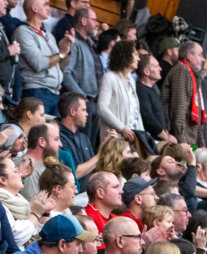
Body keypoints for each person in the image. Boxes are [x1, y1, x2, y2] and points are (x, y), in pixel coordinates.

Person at [14, 0, 73, 115]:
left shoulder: (49, 35)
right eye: (45, 4)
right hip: (37, 91)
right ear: (35, 8)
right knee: (39, 132)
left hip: (55, 92)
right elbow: (39, 64)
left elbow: (60, 65)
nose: (49, 7)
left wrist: (67, 50)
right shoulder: (23, 32)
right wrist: (60, 54)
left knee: (53, 133)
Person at [61, 8, 102, 144]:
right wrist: (82, 97)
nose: (97, 24)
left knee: (89, 146)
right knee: (83, 145)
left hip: (93, 104)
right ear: (84, 21)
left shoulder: (90, 44)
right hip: (83, 104)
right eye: (94, 20)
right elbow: (66, 73)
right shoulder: (75, 43)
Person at [98, 40, 143, 145]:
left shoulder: (131, 80)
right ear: (125, 56)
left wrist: (142, 135)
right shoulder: (109, 78)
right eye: (135, 54)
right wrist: (122, 128)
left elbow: (136, 113)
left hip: (133, 140)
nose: (139, 58)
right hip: (115, 140)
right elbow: (102, 109)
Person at [162, 41, 206, 147]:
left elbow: (198, 115)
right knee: (182, 163)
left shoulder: (193, 75)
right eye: (200, 55)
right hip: (180, 139)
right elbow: (179, 107)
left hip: (191, 140)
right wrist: (181, 140)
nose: (203, 59)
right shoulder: (182, 70)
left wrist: (201, 145)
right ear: (189, 56)